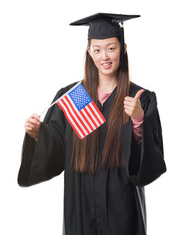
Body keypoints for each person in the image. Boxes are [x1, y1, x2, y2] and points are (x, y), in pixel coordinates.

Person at [18, 13, 167, 235]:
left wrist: (137, 118)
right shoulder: (75, 96)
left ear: (123, 48)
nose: (104, 57)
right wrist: (39, 133)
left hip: (122, 205)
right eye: (97, 50)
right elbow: (58, 148)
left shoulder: (139, 97)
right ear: (89, 52)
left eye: (111, 48)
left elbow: (148, 161)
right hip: (80, 200)